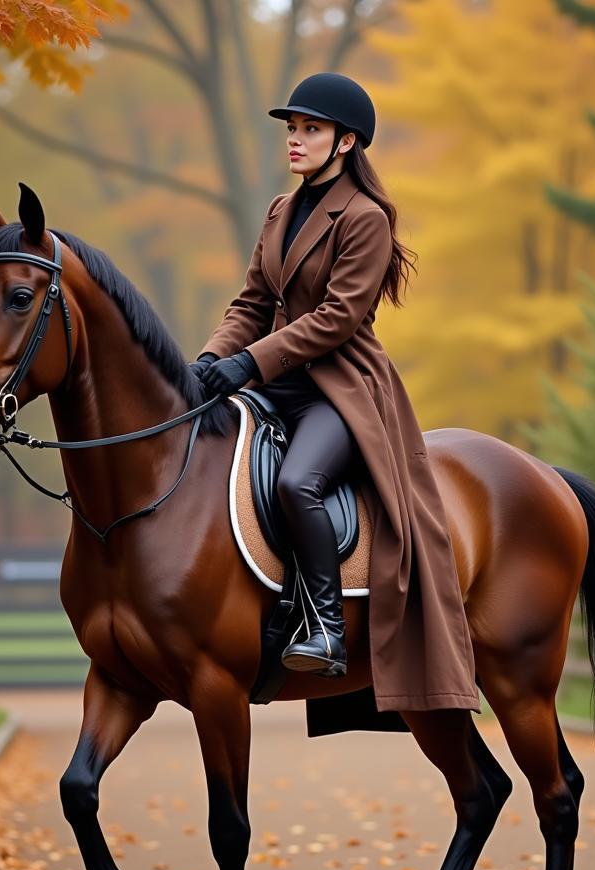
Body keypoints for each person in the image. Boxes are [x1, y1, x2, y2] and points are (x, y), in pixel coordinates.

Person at [189, 72, 476, 720]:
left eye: (310, 130)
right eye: (293, 130)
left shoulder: (367, 218)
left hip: (339, 390)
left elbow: (337, 318)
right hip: (271, 385)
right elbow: (253, 301)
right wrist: (209, 362)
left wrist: (247, 363)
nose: (295, 140)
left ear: (346, 142)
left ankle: (324, 625)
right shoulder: (279, 211)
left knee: (298, 485)